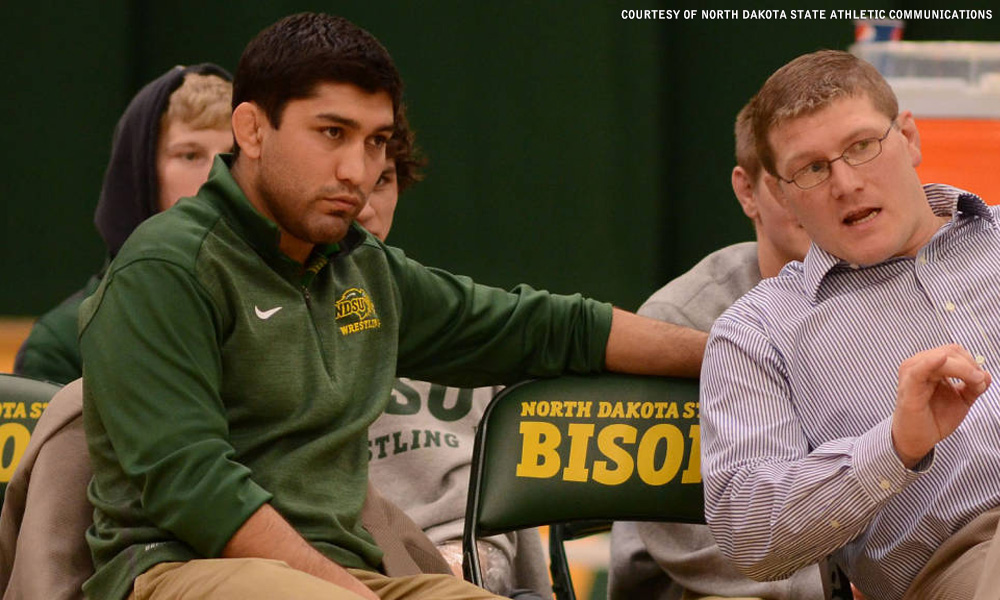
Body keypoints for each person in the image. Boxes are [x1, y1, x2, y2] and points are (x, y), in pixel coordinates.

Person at [78, 12, 707, 600]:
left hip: (347, 573)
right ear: (251, 130)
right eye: (332, 133)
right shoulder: (166, 266)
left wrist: (730, 354)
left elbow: (548, 327)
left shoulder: (362, 267)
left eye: (377, 141)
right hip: (181, 569)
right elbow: (194, 486)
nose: (358, 169)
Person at [700, 49, 1000, 600]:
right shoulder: (761, 331)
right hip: (968, 559)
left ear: (908, 138)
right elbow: (747, 532)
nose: (845, 183)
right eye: (812, 169)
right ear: (784, 196)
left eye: (862, 147)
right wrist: (894, 447)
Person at [608, 101, 822, 600]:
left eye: (819, 172)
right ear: (747, 191)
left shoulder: (886, 292)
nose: (812, 197)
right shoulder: (680, 321)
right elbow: (693, 545)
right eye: (786, 180)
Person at [360, 130, 550, 599]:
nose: (363, 206)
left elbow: (498, 540)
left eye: (382, 181)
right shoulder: (257, 329)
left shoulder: (445, 319)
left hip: (469, 562)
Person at [13, 64, 233, 385]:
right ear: (140, 174)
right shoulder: (62, 345)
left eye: (233, 155)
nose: (218, 174)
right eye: (190, 155)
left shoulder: (291, 307)